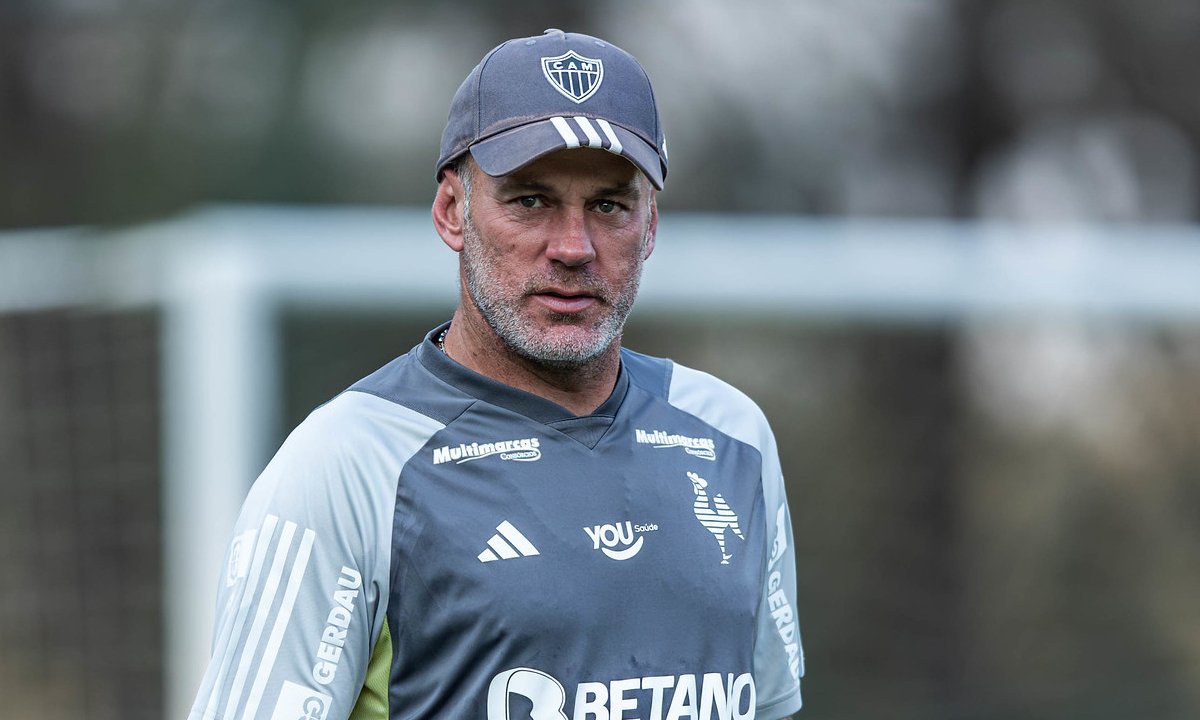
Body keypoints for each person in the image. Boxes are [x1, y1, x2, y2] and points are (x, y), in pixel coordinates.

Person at [188, 29, 803, 720]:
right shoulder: (348, 463)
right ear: (453, 211)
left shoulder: (731, 438)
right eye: (530, 201)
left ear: (650, 224)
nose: (574, 247)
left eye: (609, 205)